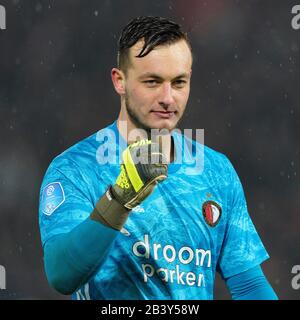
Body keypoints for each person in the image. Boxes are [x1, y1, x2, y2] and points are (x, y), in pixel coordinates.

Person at [38, 16, 278, 300]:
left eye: (179, 83)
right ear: (120, 81)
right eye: (152, 82)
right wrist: (119, 199)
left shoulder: (217, 171)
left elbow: (249, 286)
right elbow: (62, 275)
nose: (168, 97)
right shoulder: (76, 168)